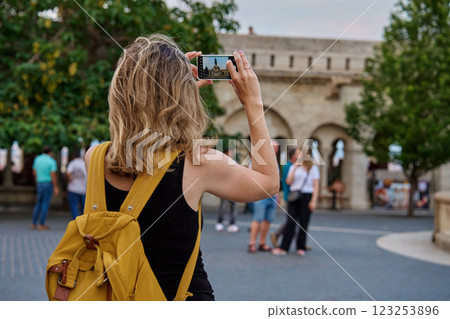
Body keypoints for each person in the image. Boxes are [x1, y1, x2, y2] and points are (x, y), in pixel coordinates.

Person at [84, 35, 279, 300]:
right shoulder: (198, 164)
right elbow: (268, 182)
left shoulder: (94, 158)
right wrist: (253, 104)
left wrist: (172, 98)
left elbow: (140, 144)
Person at [272, 150, 319, 256]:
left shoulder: (313, 169)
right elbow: (288, 181)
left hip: (307, 195)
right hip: (294, 195)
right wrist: (295, 168)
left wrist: (314, 200)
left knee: (304, 222)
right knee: (290, 222)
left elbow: (316, 185)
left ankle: (301, 247)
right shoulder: (294, 167)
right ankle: (284, 247)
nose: (299, 157)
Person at [247, 140, 279, 253]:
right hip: (260, 195)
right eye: (274, 148)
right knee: (257, 218)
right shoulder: (257, 160)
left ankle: (262, 242)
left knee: (268, 219)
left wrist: (277, 194)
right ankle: (252, 243)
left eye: (276, 149)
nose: (275, 150)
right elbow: (250, 176)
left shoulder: (274, 161)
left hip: (272, 196)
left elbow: (276, 180)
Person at [270, 147, 299, 248]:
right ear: (293, 155)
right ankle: (277, 234)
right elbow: (289, 182)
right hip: (291, 196)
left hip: (293, 196)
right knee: (292, 220)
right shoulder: (288, 166)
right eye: (297, 154)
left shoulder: (293, 166)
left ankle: (298, 242)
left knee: (293, 220)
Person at [31, 145, 59, 230]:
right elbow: (53, 174)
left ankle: (33, 223)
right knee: (45, 204)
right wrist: (55, 186)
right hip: (48, 183)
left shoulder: (37, 159)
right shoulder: (51, 161)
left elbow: (34, 171)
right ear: (50, 152)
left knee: (38, 203)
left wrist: (37, 179)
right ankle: (41, 223)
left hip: (39, 183)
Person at [66, 149, 87, 220]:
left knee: (74, 206)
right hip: (83, 189)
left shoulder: (72, 163)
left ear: (73, 156)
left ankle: (76, 221)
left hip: (73, 188)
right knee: (84, 207)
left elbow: (68, 173)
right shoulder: (84, 163)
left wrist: (70, 179)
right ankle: (83, 222)